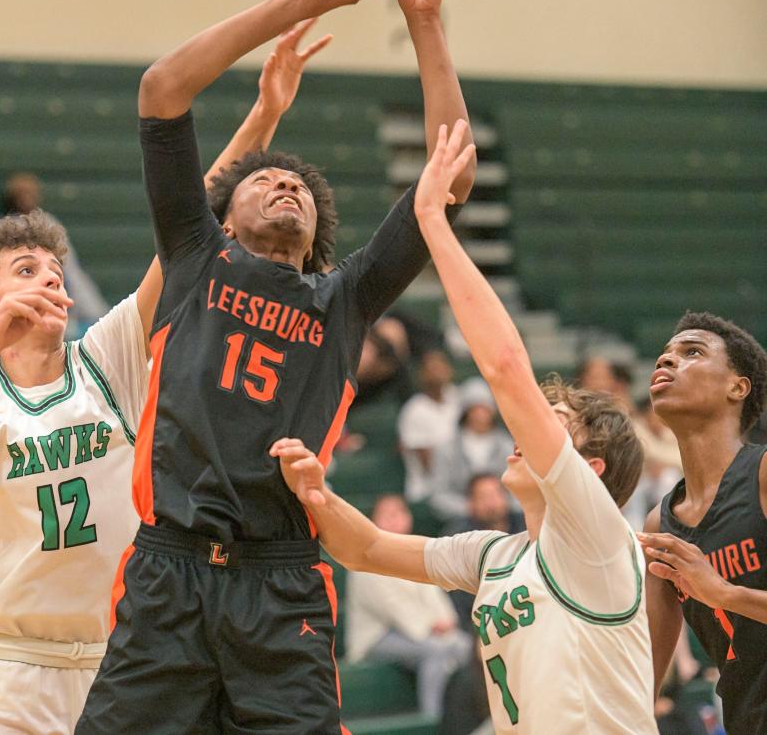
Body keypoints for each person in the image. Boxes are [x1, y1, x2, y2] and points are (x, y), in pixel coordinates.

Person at [77, 0, 476, 735]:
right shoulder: (196, 258)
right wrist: (288, 3)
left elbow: (451, 170)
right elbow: (162, 90)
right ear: (225, 210)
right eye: (268, 179)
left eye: (299, 185)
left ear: (318, 228)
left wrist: (424, 22)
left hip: (282, 580)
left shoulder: (345, 298)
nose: (286, 185)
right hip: (170, 571)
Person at [0, 26, 322, 735]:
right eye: (25, 271)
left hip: (125, 659)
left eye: (54, 271)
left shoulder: (107, 354)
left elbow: (192, 228)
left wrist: (263, 118)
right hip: (14, 667)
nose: (49, 280)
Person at [272, 120, 654, 734]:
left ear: (591, 469)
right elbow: (364, 548)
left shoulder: (598, 536)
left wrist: (432, 224)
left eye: (550, 427)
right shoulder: (493, 555)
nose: (520, 437)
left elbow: (505, 368)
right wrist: (315, 493)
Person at [637, 311, 767, 734]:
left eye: (692, 352)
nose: (667, 360)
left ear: (737, 387)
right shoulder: (661, 524)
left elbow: (721, 594)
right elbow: (650, 673)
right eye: (665, 354)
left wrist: (724, 593)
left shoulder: (763, 474)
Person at [345, 495, 471, 718]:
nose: (395, 520)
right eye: (388, 515)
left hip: (420, 633)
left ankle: (463, 715)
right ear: (373, 521)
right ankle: (432, 718)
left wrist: (447, 620)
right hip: (378, 637)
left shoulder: (414, 549)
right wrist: (429, 628)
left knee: (464, 645)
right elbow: (391, 606)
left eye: (400, 513)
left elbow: (432, 589)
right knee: (436, 650)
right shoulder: (364, 556)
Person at [2, 172, 109, 333]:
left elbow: (70, 270)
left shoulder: (49, 223)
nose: (28, 197)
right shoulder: (6, 229)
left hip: (72, 302)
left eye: (32, 192)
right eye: (22, 193)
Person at [429, 382, 514, 524]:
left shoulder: (507, 446)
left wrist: (499, 505)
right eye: (474, 409)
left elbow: (519, 491)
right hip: (461, 521)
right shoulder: (446, 449)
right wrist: (471, 507)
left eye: (484, 408)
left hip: (504, 519)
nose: (480, 414)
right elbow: (438, 495)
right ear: (465, 412)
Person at [398, 349, 461, 502]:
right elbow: (426, 461)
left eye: (440, 366)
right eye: (431, 368)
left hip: (460, 486)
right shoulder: (414, 409)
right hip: (427, 490)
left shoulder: (458, 398)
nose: (437, 372)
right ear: (421, 374)